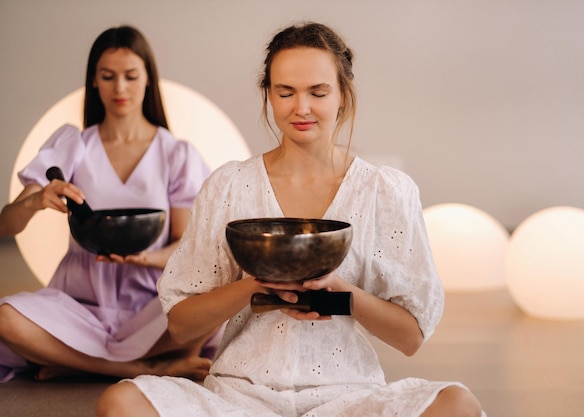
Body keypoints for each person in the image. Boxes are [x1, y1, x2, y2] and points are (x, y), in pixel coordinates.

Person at [96, 22, 485, 417]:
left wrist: (340, 294)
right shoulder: (229, 185)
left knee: (457, 405)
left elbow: (410, 337)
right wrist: (253, 287)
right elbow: (181, 325)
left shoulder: (386, 191)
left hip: (347, 398)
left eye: (318, 93)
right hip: (240, 398)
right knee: (121, 401)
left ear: (342, 98)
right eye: (285, 93)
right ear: (269, 95)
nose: (301, 108)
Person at [0, 25, 222, 383]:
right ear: (94, 82)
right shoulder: (73, 143)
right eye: (108, 76)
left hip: (153, 306)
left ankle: (73, 362)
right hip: (78, 307)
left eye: (131, 76)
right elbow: (5, 224)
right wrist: (37, 200)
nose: (120, 88)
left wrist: (144, 258)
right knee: (5, 317)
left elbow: (185, 243)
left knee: (217, 300)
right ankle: (135, 368)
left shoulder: (176, 154)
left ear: (148, 79)